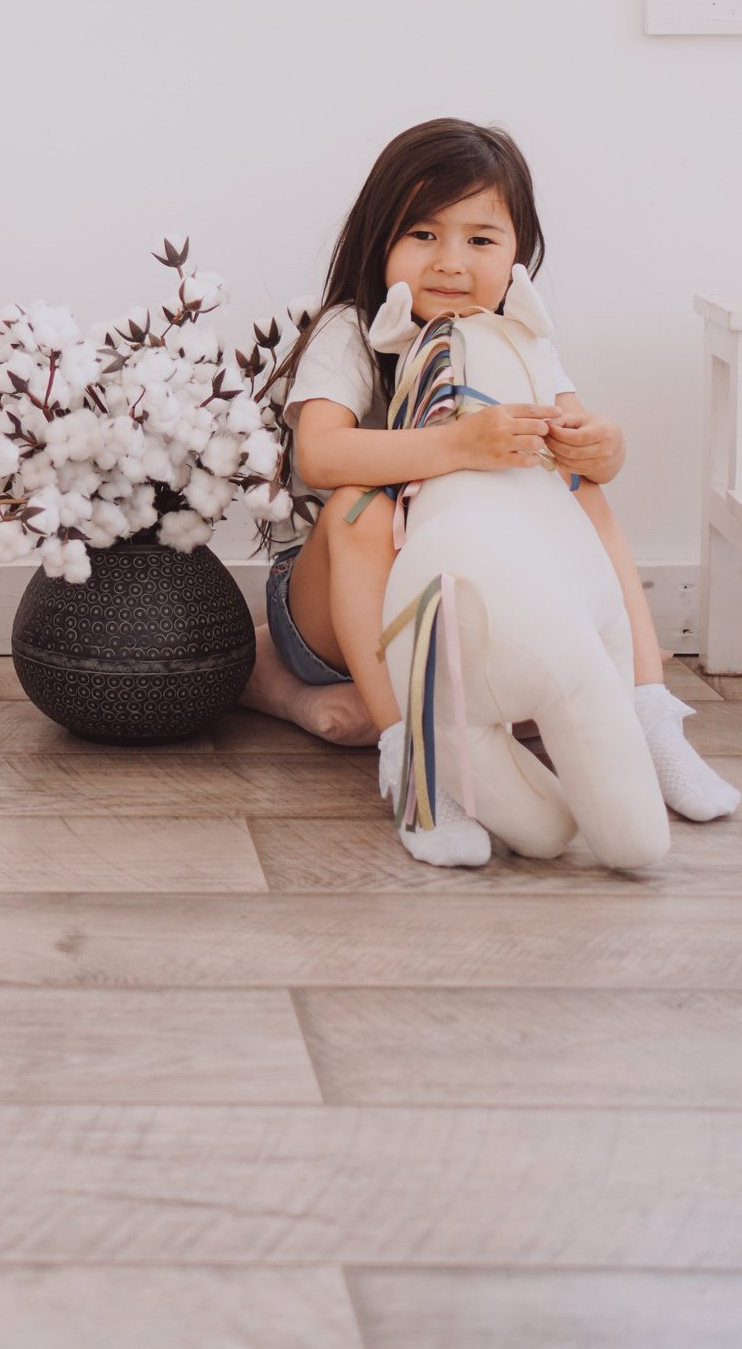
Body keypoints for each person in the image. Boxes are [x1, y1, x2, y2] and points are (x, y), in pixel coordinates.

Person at [239, 117, 739, 866]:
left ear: (517, 257)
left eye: (480, 240)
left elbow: (574, 435)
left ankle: (648, 717)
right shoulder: (354, 327)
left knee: (576, 490)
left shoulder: (516, 335)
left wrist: (602, 446)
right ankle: (412, 762)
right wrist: (453, 444)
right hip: (342, 614)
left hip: (461, 616)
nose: (449, 263)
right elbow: (318, 454)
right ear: (379, 241)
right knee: (357, 511)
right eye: (422, 235)